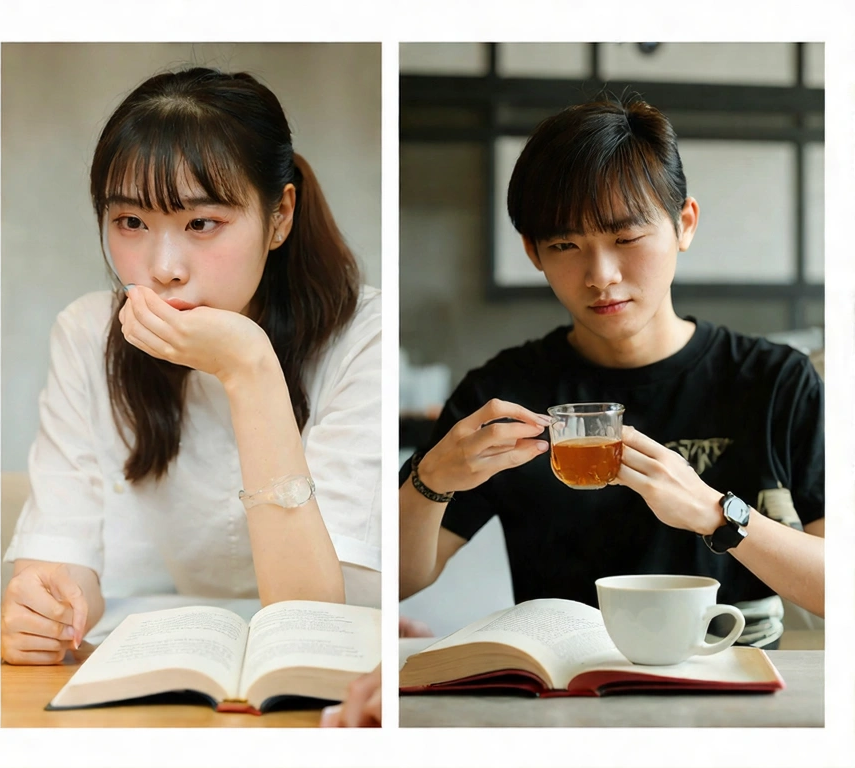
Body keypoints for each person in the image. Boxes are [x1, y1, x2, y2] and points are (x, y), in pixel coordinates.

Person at [330, 95, 825, 726]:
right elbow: (397, 581)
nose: (601, 274)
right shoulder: (504, 389)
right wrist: (431, 480)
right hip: (560, 702)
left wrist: (712, 511)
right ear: (533, 251)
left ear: (685, 224)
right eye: (566, 244)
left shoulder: (774, 381)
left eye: (626, 236)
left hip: (732, 696)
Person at [1, 68, 382, 665]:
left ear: (280, 216)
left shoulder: (363, 335)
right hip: (140, 669)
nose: (164, 267)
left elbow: (309, 619)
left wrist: (249, 368)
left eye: (202, 224)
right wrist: (44, 607)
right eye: (131, 223)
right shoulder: (86, 334)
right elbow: (60, 557)